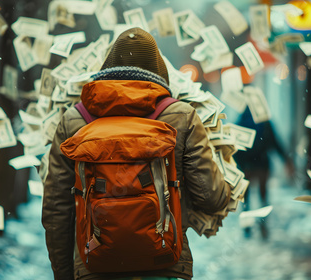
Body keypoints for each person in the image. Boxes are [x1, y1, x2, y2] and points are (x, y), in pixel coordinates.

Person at [41, 27, 231, 280]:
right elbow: (212, 198)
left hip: (95, 266)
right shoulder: (181, 116)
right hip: (164, 264)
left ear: (106, 67)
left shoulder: (75, 120)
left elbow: (57, 209)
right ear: (159, 71)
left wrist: (65, 274)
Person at [233, 108, 294, 238]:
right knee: (263, 197)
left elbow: (233, 148)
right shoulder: (265, 123)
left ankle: (247, 227)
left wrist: (237, 166)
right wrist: (286, 160)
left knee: (246, 199)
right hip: (262, 165)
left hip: (246, 168)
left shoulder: (239, 123)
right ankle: (263, 227)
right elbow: (275, 143)